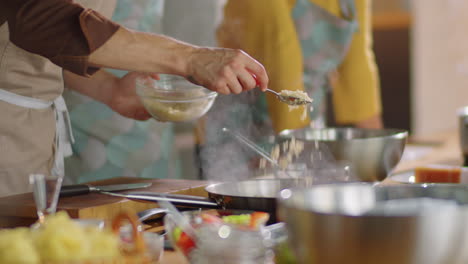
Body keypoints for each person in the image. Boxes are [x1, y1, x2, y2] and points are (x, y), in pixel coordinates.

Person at [0, 0, 268, 196]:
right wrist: (190, 58)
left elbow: (54, 44)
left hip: (38, 134)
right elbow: (39, 18)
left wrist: (110, 90)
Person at [199, 0, 382, 180]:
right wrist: (299, 148)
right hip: (241, 124)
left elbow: (358, 63)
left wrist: (378, 150)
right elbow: (280, 54)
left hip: (306, 122)